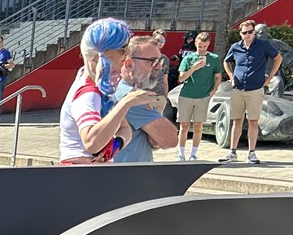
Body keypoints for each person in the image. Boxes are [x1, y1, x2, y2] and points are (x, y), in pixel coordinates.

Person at [57, 18, 154, 164]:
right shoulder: (88, 93)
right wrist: (126, 102)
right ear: (100, 55)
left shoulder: (100, 86)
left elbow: (125, 129)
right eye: (122, 50)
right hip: (80, 172)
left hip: (95, 171)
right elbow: (91, 143)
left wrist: (115, 145)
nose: (127, 55)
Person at [220, 19, 281, 165]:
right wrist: (231, 76)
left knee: (253, 121)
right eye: (244, 33)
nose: (247, 35)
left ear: (254, 32)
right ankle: (232, 152)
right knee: (237, 120)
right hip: (238, 89)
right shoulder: (235, 47)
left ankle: (251, 152)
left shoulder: (263, 45)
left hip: (255, 89)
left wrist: (269, 78)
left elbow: (278, 58)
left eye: (250, 32)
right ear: (240, 34)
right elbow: (226, 61)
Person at [110, 36, 178, 164]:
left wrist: (153, 136)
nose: (159, 67)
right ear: (129, 64)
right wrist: (154, 136)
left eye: (159, 61)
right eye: (152, 61)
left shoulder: (117, 88)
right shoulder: (131, 97)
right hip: (129, 173)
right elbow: (170, 139)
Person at [174, 31, 224, 161]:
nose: (202, 49)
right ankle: (181, 154)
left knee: (198, 126)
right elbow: (181, 78)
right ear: (195, 43)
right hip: (186, 95)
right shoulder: (188, 58)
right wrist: (194, 68)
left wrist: (213, 91)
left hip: (203, 96)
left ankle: (193, 154)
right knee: (184, 126)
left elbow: (218, 77)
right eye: (199, 46)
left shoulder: (213, 58)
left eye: (205, 46)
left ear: (208, 44)